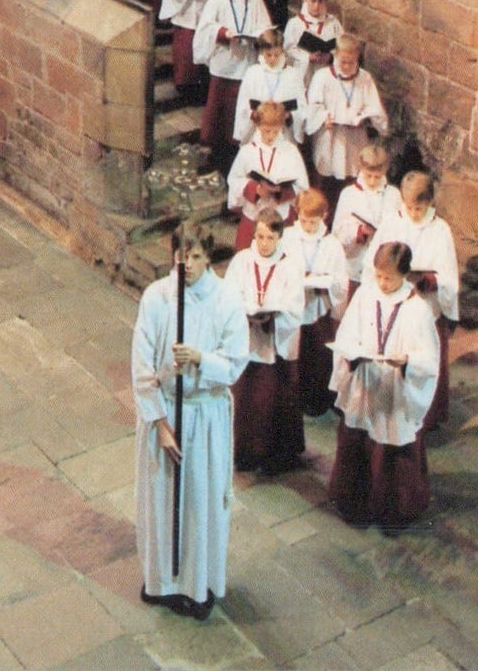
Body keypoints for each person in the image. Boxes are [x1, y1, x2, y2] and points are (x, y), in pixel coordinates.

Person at [132, 222, 249, 622]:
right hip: (166, 411)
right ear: (174, 257)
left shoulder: (227, 299)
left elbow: (235, 363)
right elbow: (141, 364)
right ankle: (162, 582)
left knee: (199, 501)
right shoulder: (158, 297)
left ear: (208, 257)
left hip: (204, 412)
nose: (189, 265)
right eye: (182, 256)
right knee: (163, 500)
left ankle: (197, 587)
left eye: (197, 256)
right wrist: (160, 423)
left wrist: (201, 359)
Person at [328, 241, 440, 530]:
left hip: (394, 385)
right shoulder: (365, 295)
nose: (382, 282)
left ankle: (393, 508)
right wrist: (352, 352)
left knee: (389, 440)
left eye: (389, 278)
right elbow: (347, 333)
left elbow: (428, 357)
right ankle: (354, 502)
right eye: (378, 275)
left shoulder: (417, 309)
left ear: (404, 275)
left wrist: (407, 361)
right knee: (359, 434)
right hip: (365, 379)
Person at [363, 170, 458, 431]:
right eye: (410, 207)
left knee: (423, 356)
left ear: (430, 203)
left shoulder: (440, 229)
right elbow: (373, 261)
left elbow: (448, 274)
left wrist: (429, 281)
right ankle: (393, 409)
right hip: (395, 301)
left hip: (425, 303)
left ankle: (426, 414)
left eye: (420, 207)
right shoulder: (393, 222)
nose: (414, 213)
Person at [221, 208, 305, 473]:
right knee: (245, 399)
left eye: (269, 237)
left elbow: (294, 307)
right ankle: (244, 452)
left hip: (273, 344)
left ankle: (271, 455)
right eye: (259, 236)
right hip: (247, 341)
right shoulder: (242, 261)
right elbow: (228, 295)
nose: (263, 243)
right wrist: (245, 315)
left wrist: (272, 319)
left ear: (279, 236)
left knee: (270, 400)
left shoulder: (290, 266)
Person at [192, 0, 272, 175]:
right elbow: (206, 27)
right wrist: (222, 33)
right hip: (224, 60)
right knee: (217, 104)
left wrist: (258, 37)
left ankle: (232, 146)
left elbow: (265, 27)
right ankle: (209, 147)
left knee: (237, 106)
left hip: (245, 59)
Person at [284, 188, 349, 416]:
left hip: (319, 306)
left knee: (318, 354)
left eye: (313, 222)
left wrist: (326, 285)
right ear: (296, 215)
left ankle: (318, 399)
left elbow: (341, 280)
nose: (308, 226)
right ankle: (296, 398)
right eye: (303, 221)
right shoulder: (288, 238)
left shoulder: (331, 243)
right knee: (296, 353)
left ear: (324, 217)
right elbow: (282, 269)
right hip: (295, 306)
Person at [305, 34, 389, 207]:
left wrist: (366, 117)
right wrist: (323, 117)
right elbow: (313, 105)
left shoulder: (364, 78)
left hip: (354, 138)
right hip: (330, 137)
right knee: (325, 183)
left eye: (352, 62)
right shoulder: (323, 76)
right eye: (344, 61)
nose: (348, 66)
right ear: (335, 55)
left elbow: (375, 107)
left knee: (351, 182)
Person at [225, 98, 309, 251]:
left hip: (280, 217)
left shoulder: (290, 151)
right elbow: (234, 180)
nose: (271, 136)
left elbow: (302, 186)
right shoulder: (247, 151)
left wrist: (281, 192)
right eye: (266, 131)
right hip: (253, 215)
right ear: (258, 126)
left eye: (276, 131)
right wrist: (255, 190)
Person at [332, 144, 399, 296]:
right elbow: (337, 232)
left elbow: (399, 227)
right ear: (361, 168)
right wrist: (359, 232)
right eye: (368, 175)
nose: (372, 181)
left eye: (377, 176)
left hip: (382, 264)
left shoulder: (393, 195)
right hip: (354, 261)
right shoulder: (349, 194)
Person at [233, 28, 307, 146]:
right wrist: (252, 114)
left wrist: (290, 116)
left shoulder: (293, 74)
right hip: (258, 130)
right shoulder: (253, 73)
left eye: (276, 54)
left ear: (282, 51)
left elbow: (302, 105)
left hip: (283, 131)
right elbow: (243, 103)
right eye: (268, 55)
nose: (273, 59)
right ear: (261, 52)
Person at [284, 0, 344, 78]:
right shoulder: (295, 24)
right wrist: (308, 57)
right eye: (313, 0)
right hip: (303, 74)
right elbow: (287, 51)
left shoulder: (333, 23)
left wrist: (330, 57)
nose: (317, 6)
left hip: (326, 74)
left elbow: (343, 49)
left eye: (321, 2)